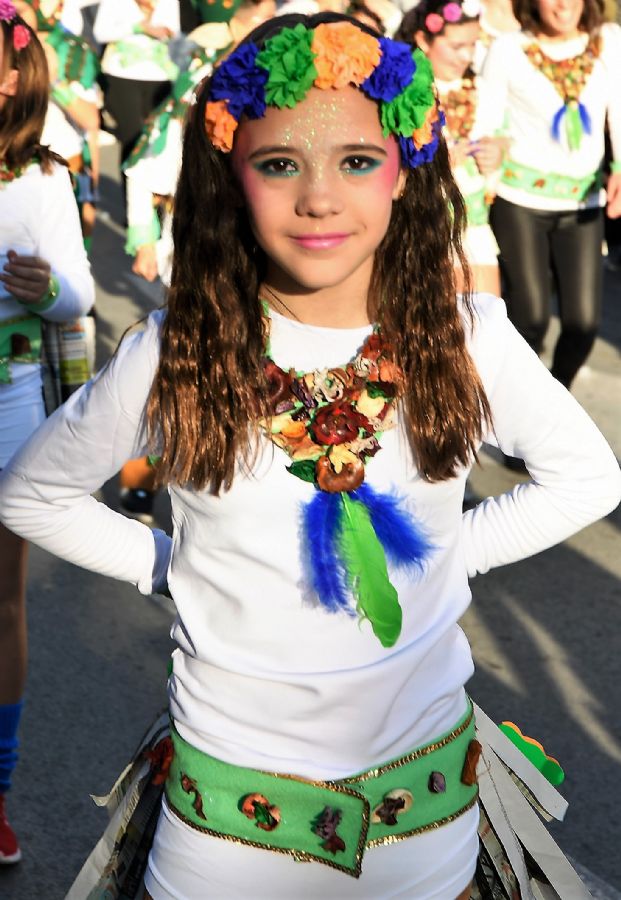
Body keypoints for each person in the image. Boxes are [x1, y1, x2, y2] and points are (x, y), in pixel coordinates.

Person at [0, 13, 619, 898]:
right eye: (280, 162)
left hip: (425, 824)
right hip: (222, 835)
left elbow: (586, 478)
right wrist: (176, 567)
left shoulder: (466, 337)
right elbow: (33, 496)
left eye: (357, 162)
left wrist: (451, 554)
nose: (319, 197)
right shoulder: (176, 352)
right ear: (231, 177)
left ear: (405, 172)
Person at [0, 1, 94, 865]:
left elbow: (81, 296)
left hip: (10, 411)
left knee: (0, 606)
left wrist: (42, 288)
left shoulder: (42, 176)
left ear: (8, 72)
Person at [484, 0, 621, 389]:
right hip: (518, 202)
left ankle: (551, 400)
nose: (563, 4)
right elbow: (488, 121)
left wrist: (620, 169)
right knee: (530, 322)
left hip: (583, 205)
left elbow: (619, 111)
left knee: (582, 325)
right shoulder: (508, 49)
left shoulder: (609, 42)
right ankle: (513, 419)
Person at [397, 0, 506, 293]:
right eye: (457, 46)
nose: (467, 55)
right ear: (423, 40)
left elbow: (506, 138)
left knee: (487, 323)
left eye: (473, 45)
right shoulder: (405, 91)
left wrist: (498, 154)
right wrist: (431, 159)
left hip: (474, 225)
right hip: (423, 225)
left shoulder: (484, 89)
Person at [94, 0, 180, 170]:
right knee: (132, 138)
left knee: (156, 138)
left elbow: (175, 33)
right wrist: (138, 28)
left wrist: (166, 32)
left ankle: (154, 192)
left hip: (159, 76)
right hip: (122, 74)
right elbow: (100, 32)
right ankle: (131, 193)